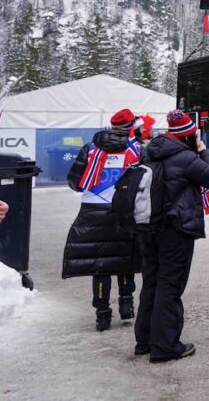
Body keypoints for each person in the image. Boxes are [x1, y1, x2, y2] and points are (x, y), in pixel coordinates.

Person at [134, 110, 209, 362]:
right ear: (190, 135)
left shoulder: (150, 151)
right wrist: (204, 151)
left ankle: (144, 340)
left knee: (151, 282)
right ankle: (165, 346)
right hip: (175, 230)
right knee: (170, 285)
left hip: (148, 227)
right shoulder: (186, 158)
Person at [62, 108, 144, 332]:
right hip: (124, 209)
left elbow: (75, 182)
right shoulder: (138, 149)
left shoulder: (89, 149)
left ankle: (102, 313)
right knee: (124, 255)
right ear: (131, 127)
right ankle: (126, 303)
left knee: (101, 263)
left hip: (93, 209)